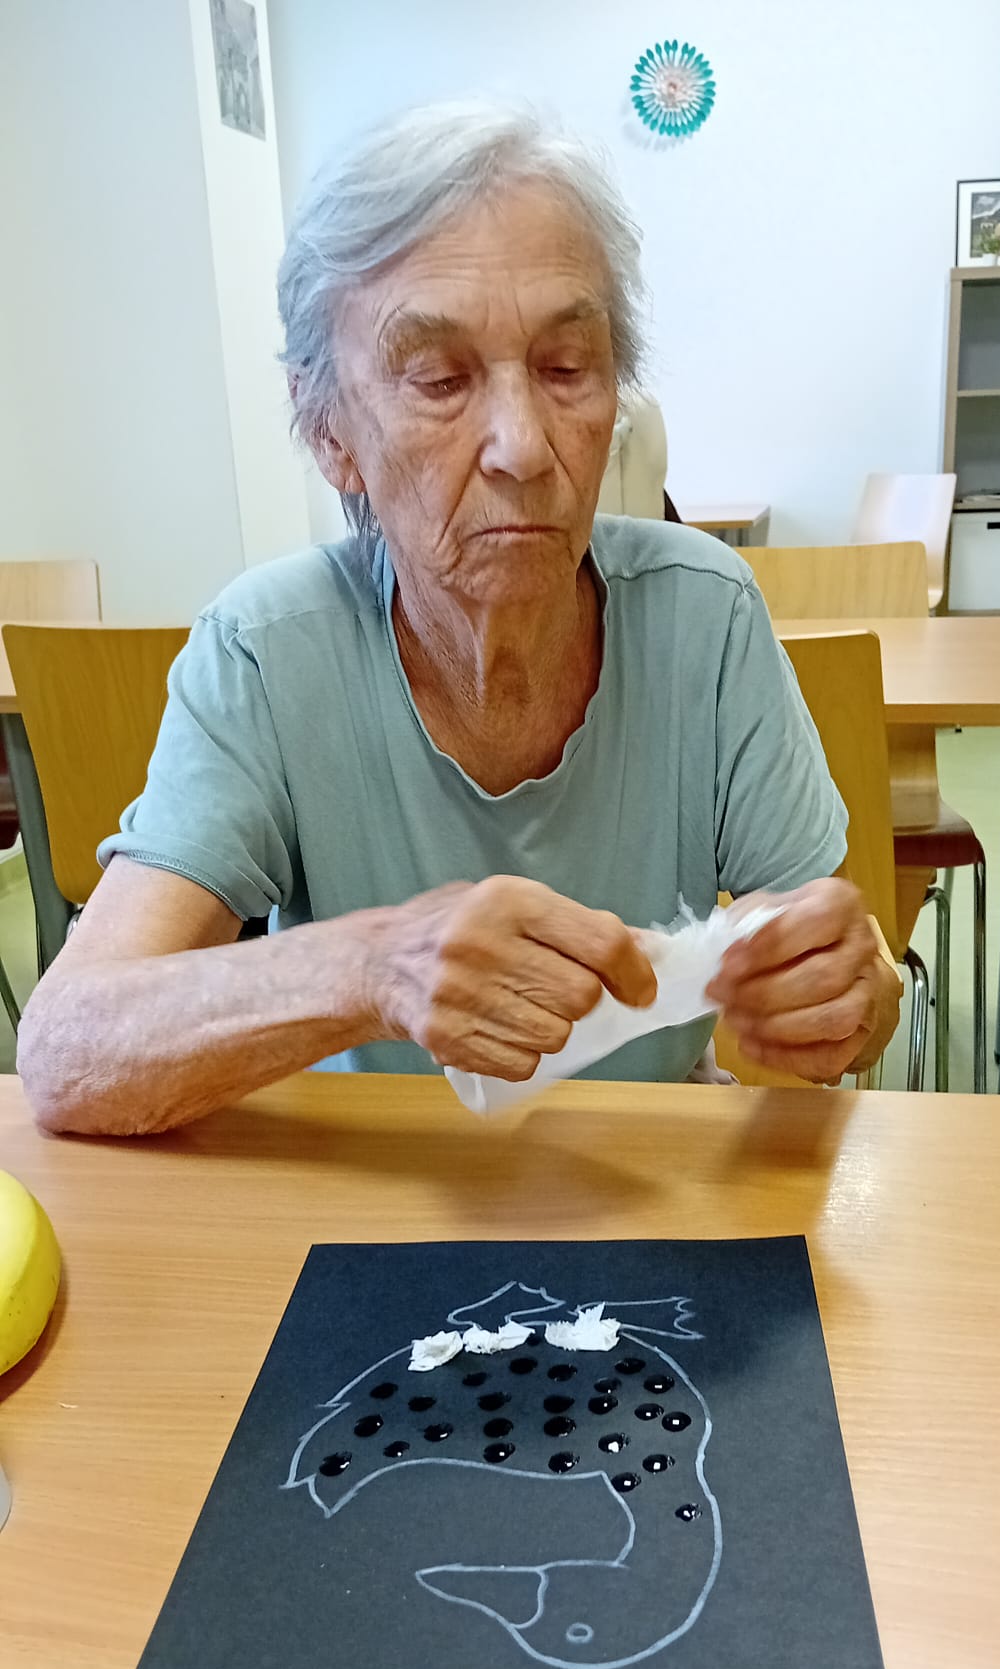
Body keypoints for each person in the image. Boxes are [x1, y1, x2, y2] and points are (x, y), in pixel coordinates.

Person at [18, 104, 902, 1137]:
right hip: (377, 1180)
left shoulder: (704, 617)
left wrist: (846, 997)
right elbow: (68, 1050)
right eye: (439, 380)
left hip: (650, 1171)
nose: (522, 447)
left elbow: (847, 979)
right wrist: (372, 966)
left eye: (566, 368)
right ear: (329, 432)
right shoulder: (267, 653)